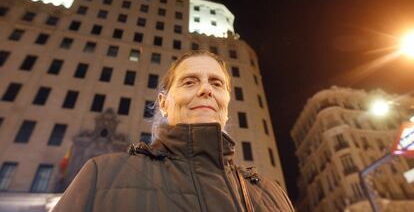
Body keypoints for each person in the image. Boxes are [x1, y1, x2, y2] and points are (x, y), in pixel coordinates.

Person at [53, 51, 294, 212]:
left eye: (216, 83)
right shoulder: (102, 174)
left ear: (227, 104)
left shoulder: (272, 193)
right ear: (164, 103)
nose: (206, 90)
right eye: (190, 82)